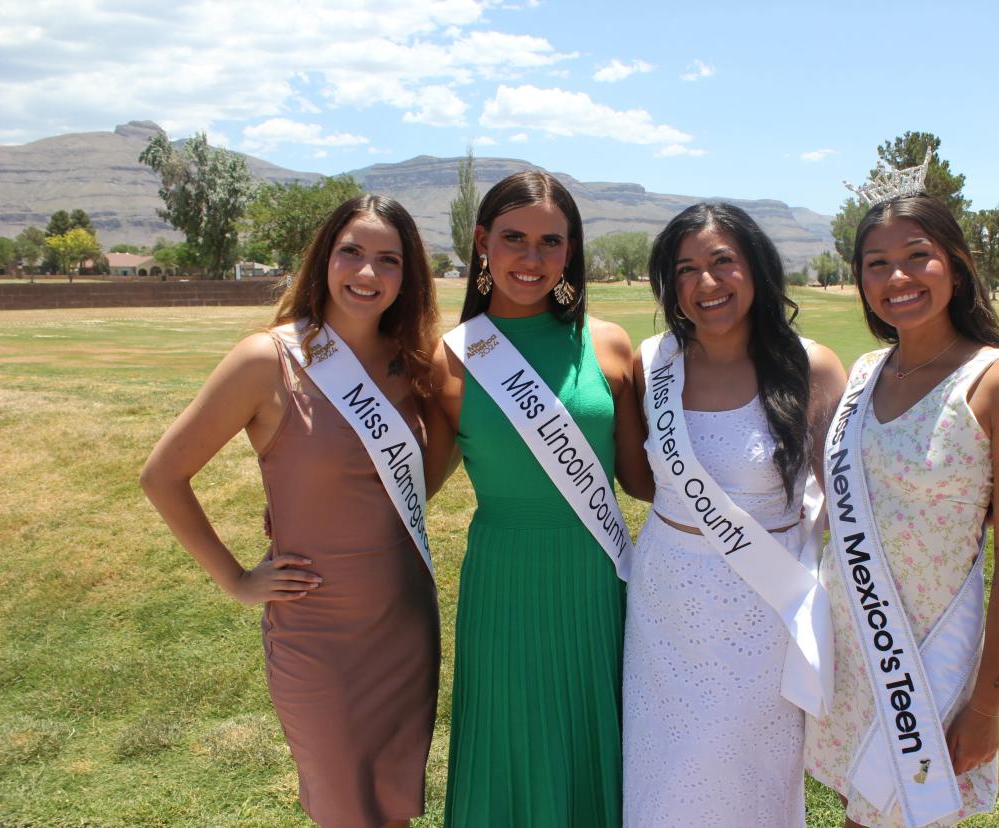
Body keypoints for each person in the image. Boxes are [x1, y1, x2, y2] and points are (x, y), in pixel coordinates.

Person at [141, 195, 441, 828]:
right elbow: (163, 476)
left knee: (391, 806)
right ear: (323, 260)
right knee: (343, 807)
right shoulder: (266, 359)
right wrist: (237, 579)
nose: (367, 273)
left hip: (405, 621)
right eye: (351, 253)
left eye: (388, 260)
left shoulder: (412, 365)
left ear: (408, 274)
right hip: (317, 633)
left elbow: (415, 477)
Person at [804, 193, 999, 828]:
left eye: (919, 257)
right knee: (857, 811)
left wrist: (986, 709)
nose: (897, 278)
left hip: (927, 661)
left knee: (907, 814)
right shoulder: (864, 371)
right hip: (853, 647)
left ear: (958, 265)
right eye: (876, 263)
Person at [424, 170, 645, 827]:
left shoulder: (607, 344)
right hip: (504, 583)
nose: (532, 258)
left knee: (588, 731)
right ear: (482, 242)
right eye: (514, 238)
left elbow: (640, 478)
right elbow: (418, 483)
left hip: (592, 577)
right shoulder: (453, 356)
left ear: (571, 250)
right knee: (510, 741)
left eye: (552, 242)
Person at [622, 203, 847, 827]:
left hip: (764, 606)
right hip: (666, 600)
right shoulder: (654, 364)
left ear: (758, 267)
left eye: (723, 261)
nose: (706, 283)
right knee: (664, 768)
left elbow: (849, 493)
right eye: (686, 268)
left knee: (750, 769)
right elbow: (645, 479)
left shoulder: (813, 366)